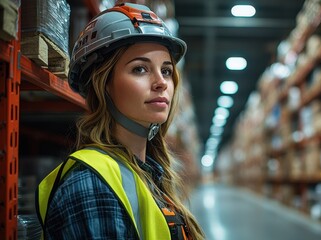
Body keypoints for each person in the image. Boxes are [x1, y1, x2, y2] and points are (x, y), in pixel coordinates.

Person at [35, 2, 205, 240]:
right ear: (103, 84)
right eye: (140, 69)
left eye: (166, 71)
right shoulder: (92, 187)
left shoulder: (149, 174)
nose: (161, 82)